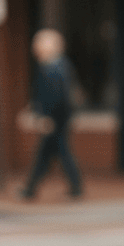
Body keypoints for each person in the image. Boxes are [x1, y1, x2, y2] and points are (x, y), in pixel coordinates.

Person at [19, 28, 83, 200]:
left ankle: (31, 189)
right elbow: (42, 94)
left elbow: (58, 96)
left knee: (55, 153)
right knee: (49, 154)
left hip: (56, 119)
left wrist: (47, 118)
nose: (35, 46)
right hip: (55, 118)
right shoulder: (50, 66)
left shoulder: (56, 68)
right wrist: (33, 109)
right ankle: (32, 188)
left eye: (39, 42)